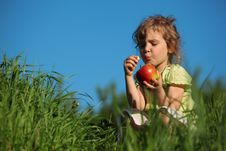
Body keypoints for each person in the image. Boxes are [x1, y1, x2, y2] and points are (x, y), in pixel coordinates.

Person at [123, 15, 194, 126]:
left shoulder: (176, 72)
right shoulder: (142, 75)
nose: (146, 49)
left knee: (164, 115)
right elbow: (137, 105)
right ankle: (137, 142)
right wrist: (128, 76)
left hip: (180, 126)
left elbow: (172, 109)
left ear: (170, 47)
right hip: (154, 124)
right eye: (142, 45)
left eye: (154, 43)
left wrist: (159, 90)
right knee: (131, 116)